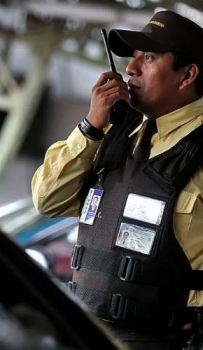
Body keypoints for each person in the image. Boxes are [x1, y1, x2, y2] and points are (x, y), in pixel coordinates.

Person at [31, 10, 203, 350]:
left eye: (149, 58)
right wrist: (91, 127)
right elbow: (47, 200)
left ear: (187, 75)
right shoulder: (114, 135)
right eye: (133, 57)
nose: (131, 68)